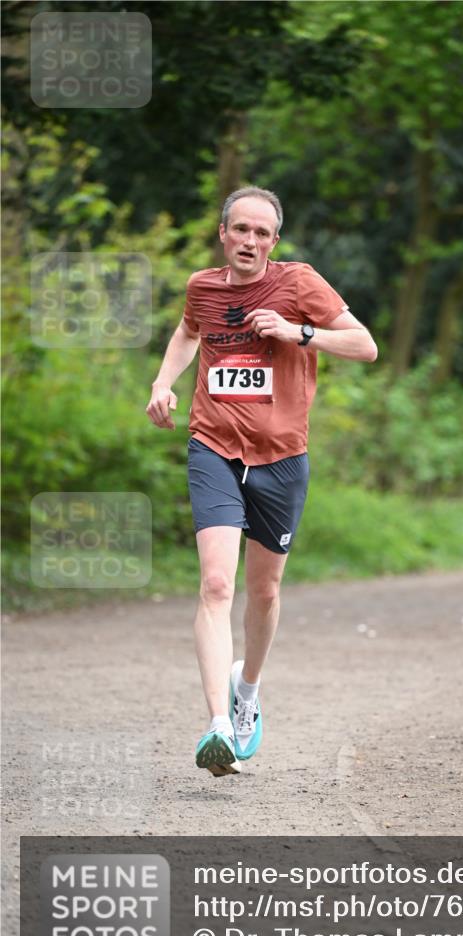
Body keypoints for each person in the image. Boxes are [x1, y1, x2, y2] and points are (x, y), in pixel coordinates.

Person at [146, 186, 377, 776]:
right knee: (217, 587)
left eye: (262, 233)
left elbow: (365, 345)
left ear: (274, 241)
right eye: (240, 230)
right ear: (223, 233)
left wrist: (299, 333)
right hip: (213, 446)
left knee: (264, 593)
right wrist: (162, 382)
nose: (249, 241)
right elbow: (187, 332)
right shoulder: (202, 286)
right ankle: (218, 726)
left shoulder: (300, 283)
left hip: (281, 457)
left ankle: (247, 690)